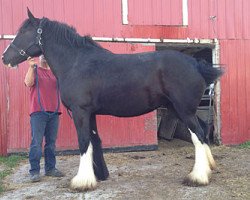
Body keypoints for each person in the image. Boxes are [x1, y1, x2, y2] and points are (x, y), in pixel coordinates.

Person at [24, 55, 64, 182]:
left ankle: (50, 169)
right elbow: (28, 83)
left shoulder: (55, 72)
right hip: (38, 112)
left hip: (54, 112)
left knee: (51, 143)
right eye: (42, 55)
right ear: (39, 57)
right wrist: (30, 67)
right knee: (36, 143)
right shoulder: (35, 70)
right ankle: (34, 171)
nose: (45, 57)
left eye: (47, 54)